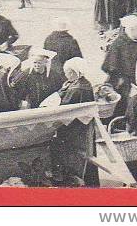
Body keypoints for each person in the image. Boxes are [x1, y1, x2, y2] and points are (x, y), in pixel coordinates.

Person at [52, 57, 100, 187]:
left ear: (74, 72)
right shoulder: (79, 83)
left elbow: (66, 106)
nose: (65, 75)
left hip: (76, 129)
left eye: (67, 72)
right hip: (81, 126)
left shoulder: (78, 88)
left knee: (77, 155)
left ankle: (78, 181)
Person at [102, 16, 137, 118]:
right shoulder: (119, 44)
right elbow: (110, 65)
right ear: (131, 30)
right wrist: (119, 78)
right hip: (121, 80)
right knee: (123, 104)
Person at [44, 20, 83, 85]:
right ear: (66, 30)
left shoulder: (48, 39)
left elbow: (45, 55)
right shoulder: (71, 41)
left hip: (51, 71)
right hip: (66, 72)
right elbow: (78, 59)